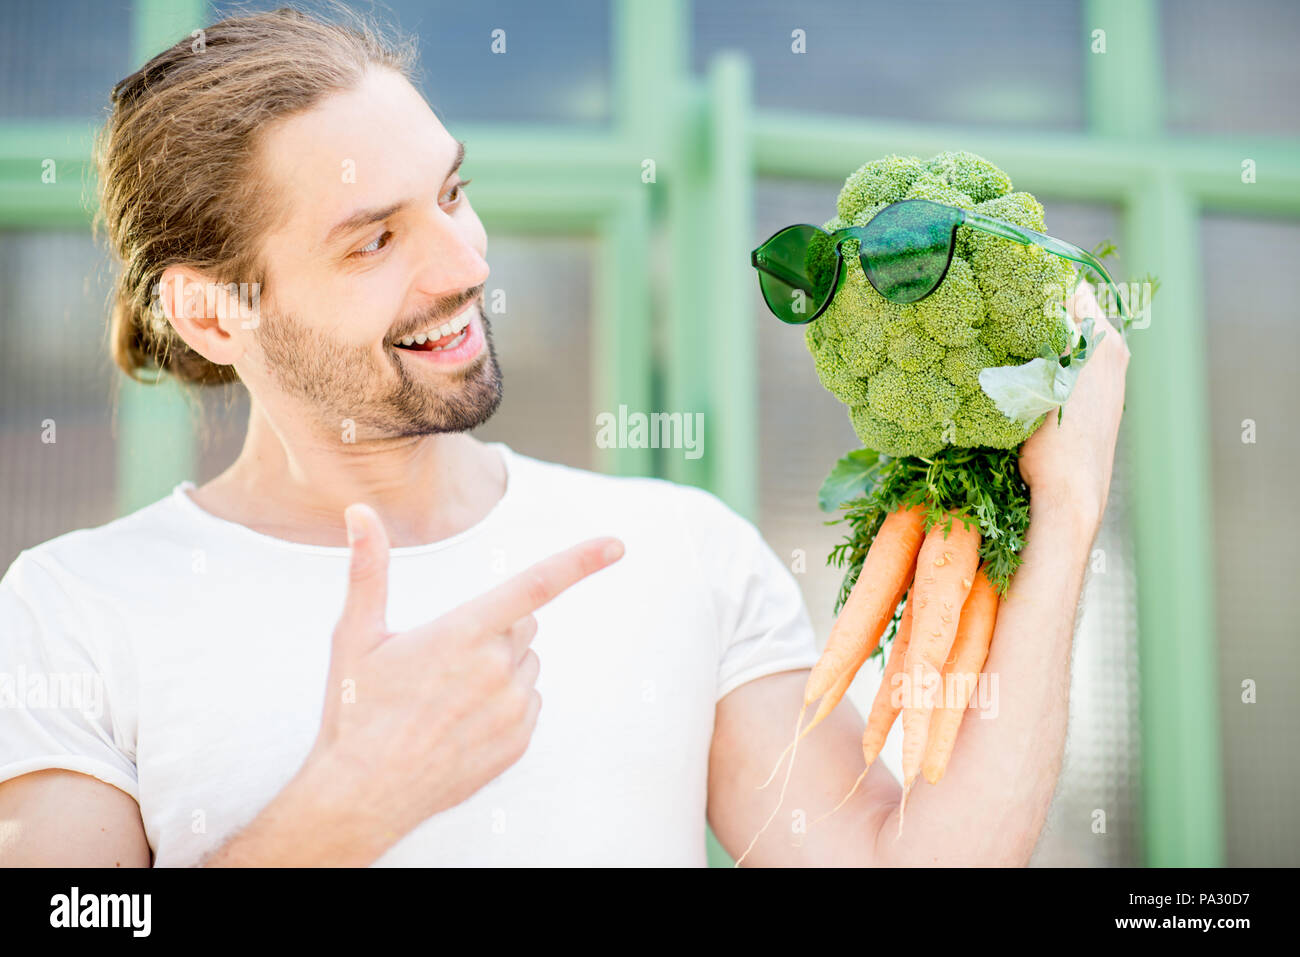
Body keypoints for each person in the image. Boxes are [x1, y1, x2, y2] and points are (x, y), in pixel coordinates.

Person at [0, 7, 1129, 867]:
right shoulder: (77, 609)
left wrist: (1067, 510)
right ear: (213, 312)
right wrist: (346, 805)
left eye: (451, 194)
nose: (464, 266)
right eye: (372, 241)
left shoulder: (678, 549)